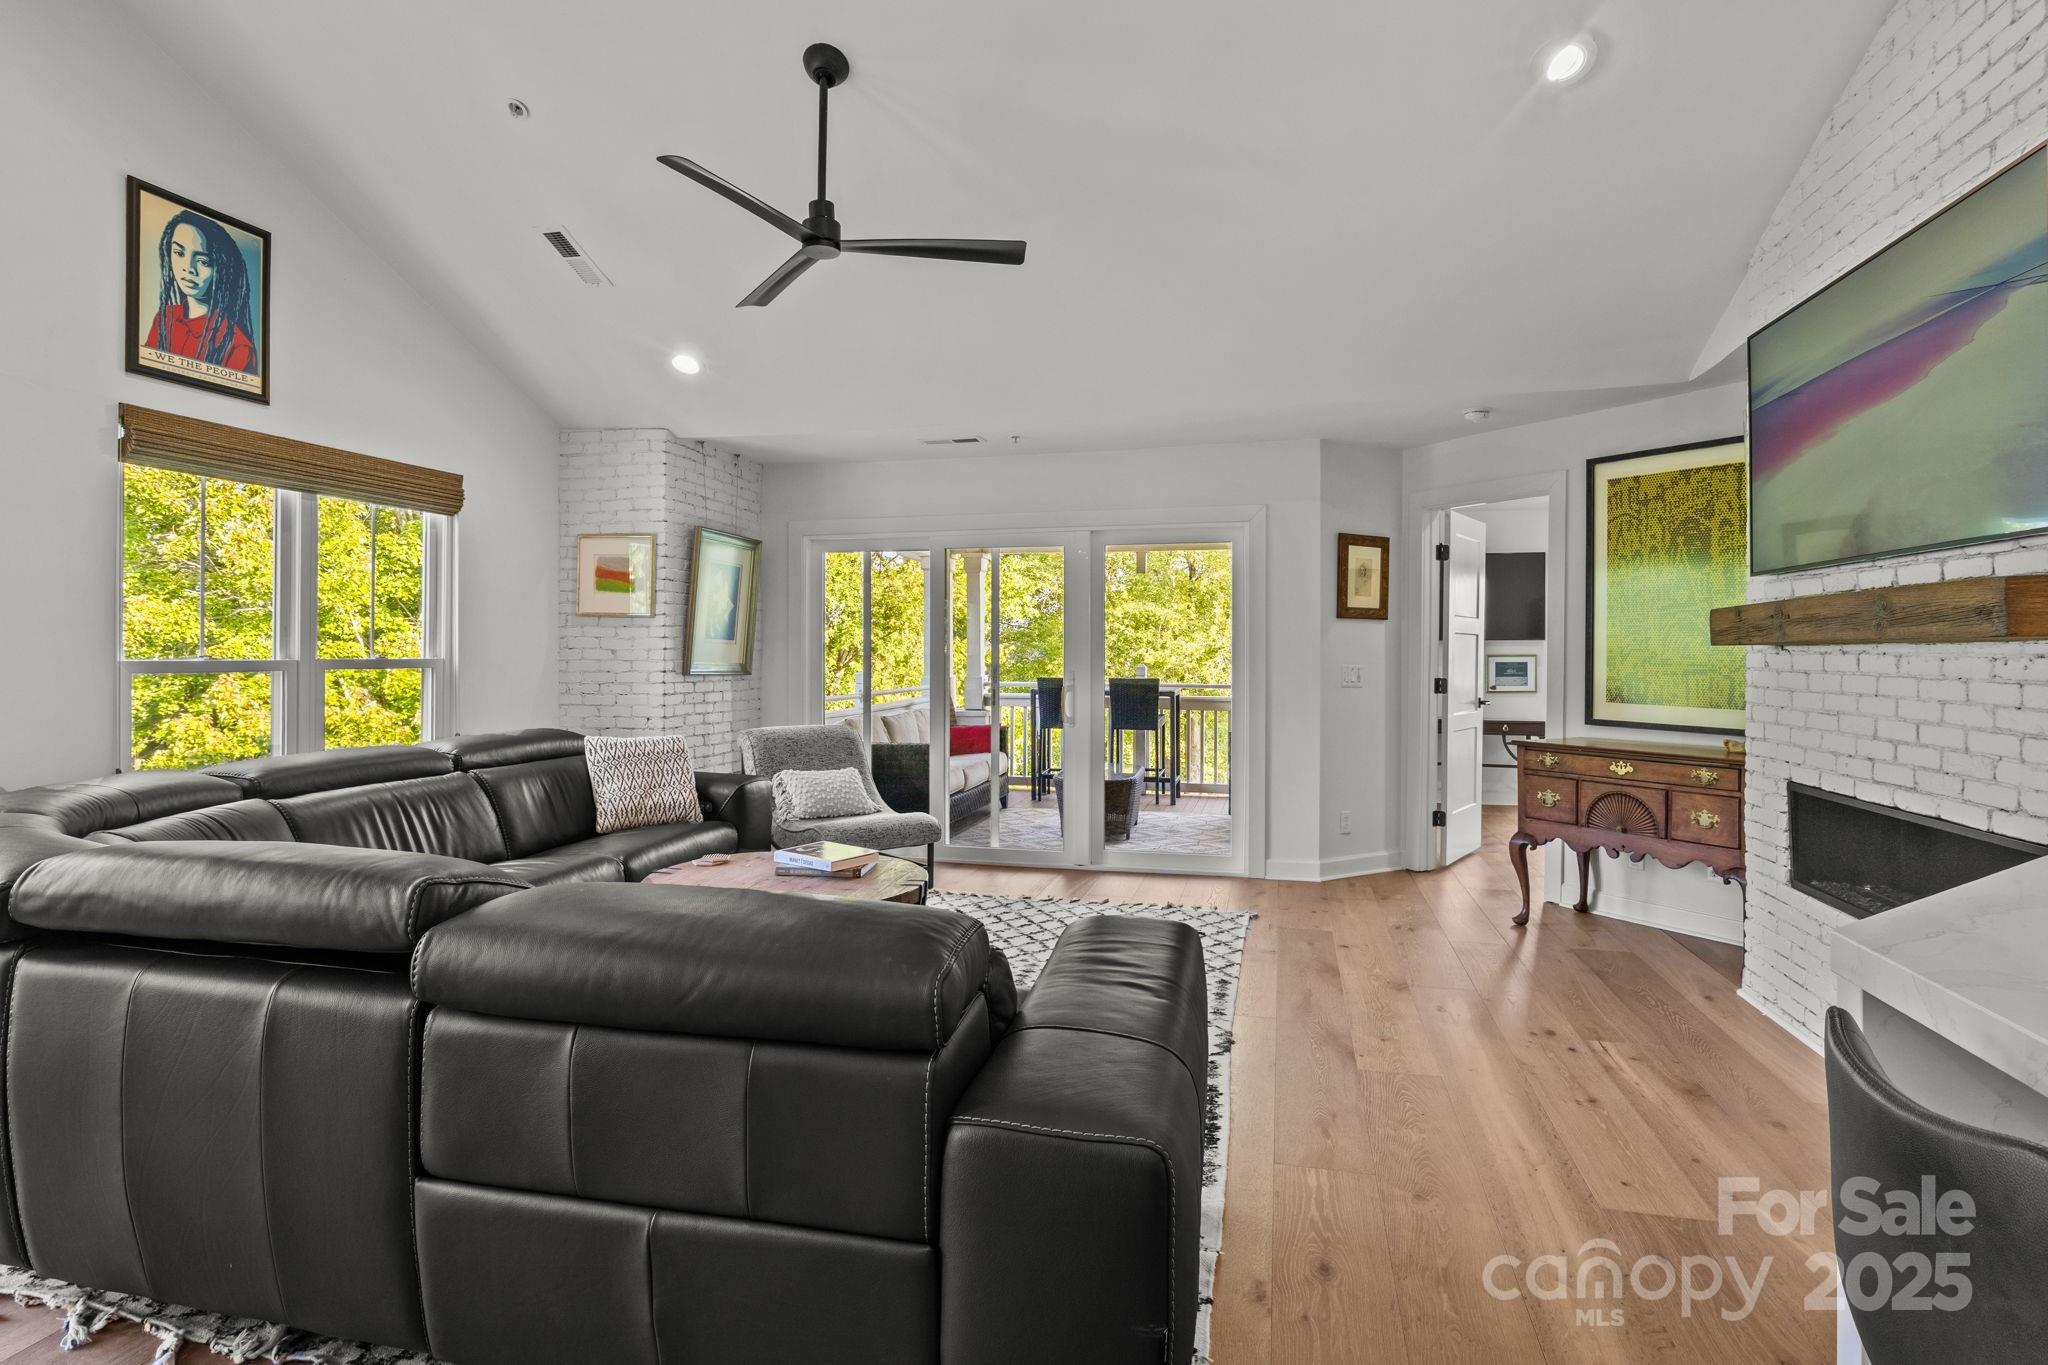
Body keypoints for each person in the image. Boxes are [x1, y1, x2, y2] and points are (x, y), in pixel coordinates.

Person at [144, 209, 257, 373]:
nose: (188, 268)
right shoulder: (165, 318)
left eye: (203, 261)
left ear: (221, 269)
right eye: (179, 253)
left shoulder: (238, 345)